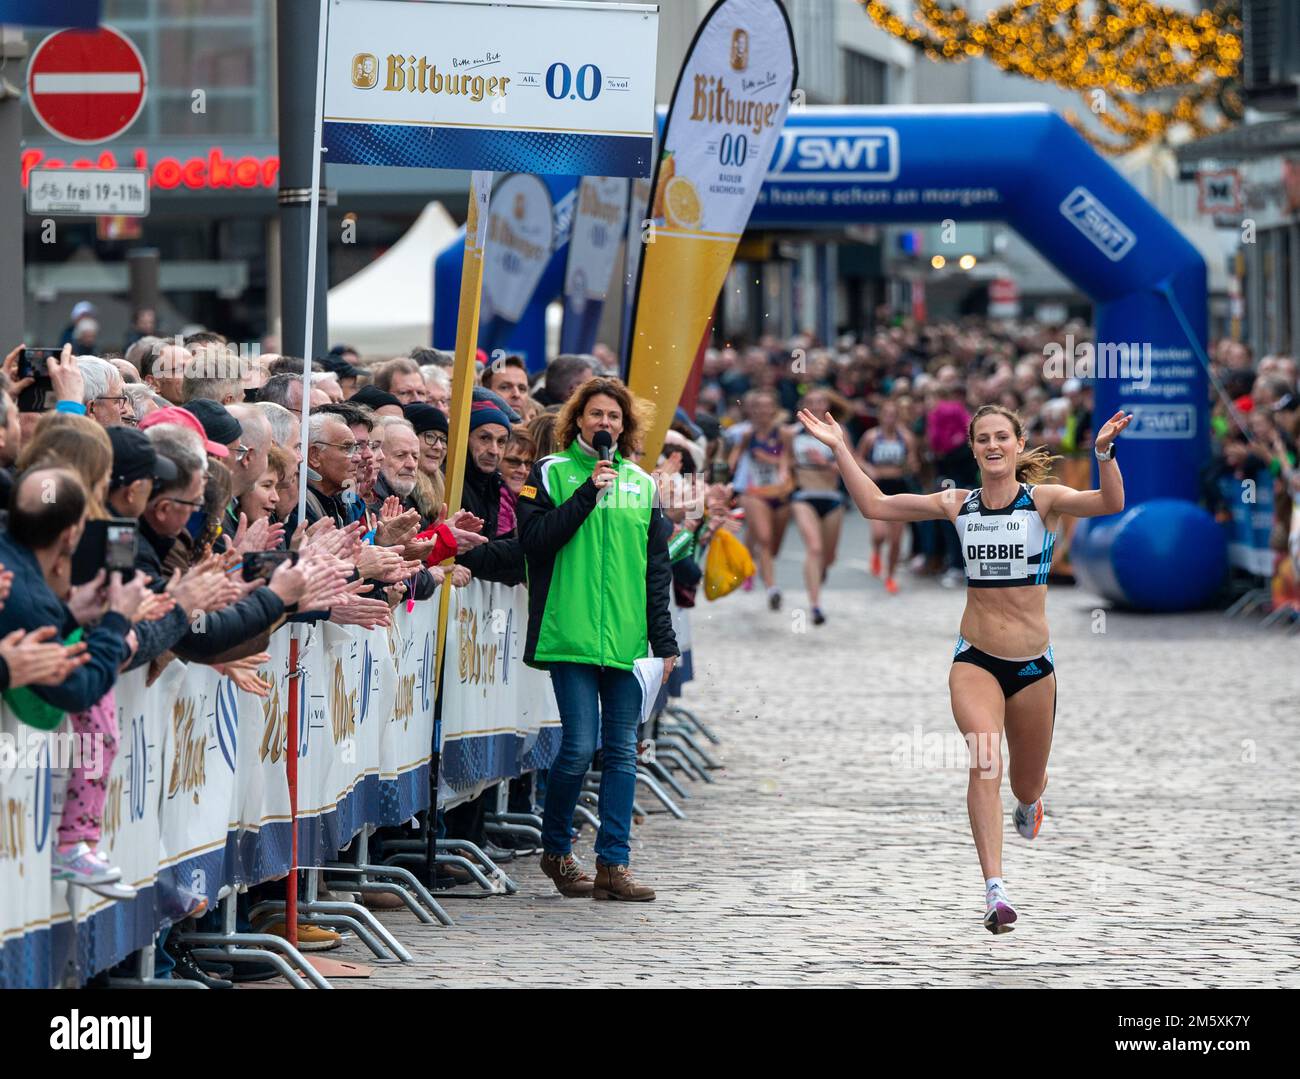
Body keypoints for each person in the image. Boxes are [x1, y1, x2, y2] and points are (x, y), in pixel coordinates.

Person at [797, 401, 1132, 934]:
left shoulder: (1042, 501)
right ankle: (995, 890)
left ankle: (1032, 804)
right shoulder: (957, 503)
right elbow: (876, 505)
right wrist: (839, 447)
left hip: (1032, 669)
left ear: (1019, 445)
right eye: (983, 439)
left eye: (1003, 437)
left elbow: (1110, 502)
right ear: (972, 448)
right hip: (974, 660)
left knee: (1025, 784)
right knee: (984, 761)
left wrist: (1104, 453)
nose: (993, 446)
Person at [516, 376, 678, 901]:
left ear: (624, 425)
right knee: (579, 747)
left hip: (628, 642)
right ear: (577, 420)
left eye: (614, 416)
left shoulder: (643, 484)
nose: (604, 423)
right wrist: (590, 491)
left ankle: (614, 864)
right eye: (595, 415)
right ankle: (557, 850)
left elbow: (657, 568)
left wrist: (664, 640)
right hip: (571, 634)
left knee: (623, 751)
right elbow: (536, 541)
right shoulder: (550, 473)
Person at [788, 389, 849, 624]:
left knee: (829, 556)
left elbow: (849, 469)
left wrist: (824, 462)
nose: (814, 406)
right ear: (803, 405)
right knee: (814, 548)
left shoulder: (838, 433)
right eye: (810, 402)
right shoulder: (791, 434)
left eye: (819, 402)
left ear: (827, 406)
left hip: (832, 498)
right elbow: (785, 463)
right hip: (804, 497)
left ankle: (820, 571)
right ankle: (815, 606)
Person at [728, 388, 792, 610]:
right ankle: (772, 588)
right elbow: (734, 455)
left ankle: (750, 565)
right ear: (752, 410)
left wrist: (779, 467)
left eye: (767, 406)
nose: (763, 411)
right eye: (758, 406)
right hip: (753, 493)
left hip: (778, 493)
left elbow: (788, 459)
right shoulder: (747, 435)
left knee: (772, 547)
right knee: (763, 538)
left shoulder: (784, 433)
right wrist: (727, 469)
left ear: (773, 409)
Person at [855, 399, 919, 594]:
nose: (890, 419)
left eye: (894, 415)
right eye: (887, 414)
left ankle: (890, 576)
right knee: (880, 533)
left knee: (896, 539)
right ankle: (875, 552)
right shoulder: (871, 437)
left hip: (898, 487)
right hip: (877, 487)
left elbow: (913, 462)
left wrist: (910, 464)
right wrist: (869, 468)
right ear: (880, 416)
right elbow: (857, 458)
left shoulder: (906, 438)